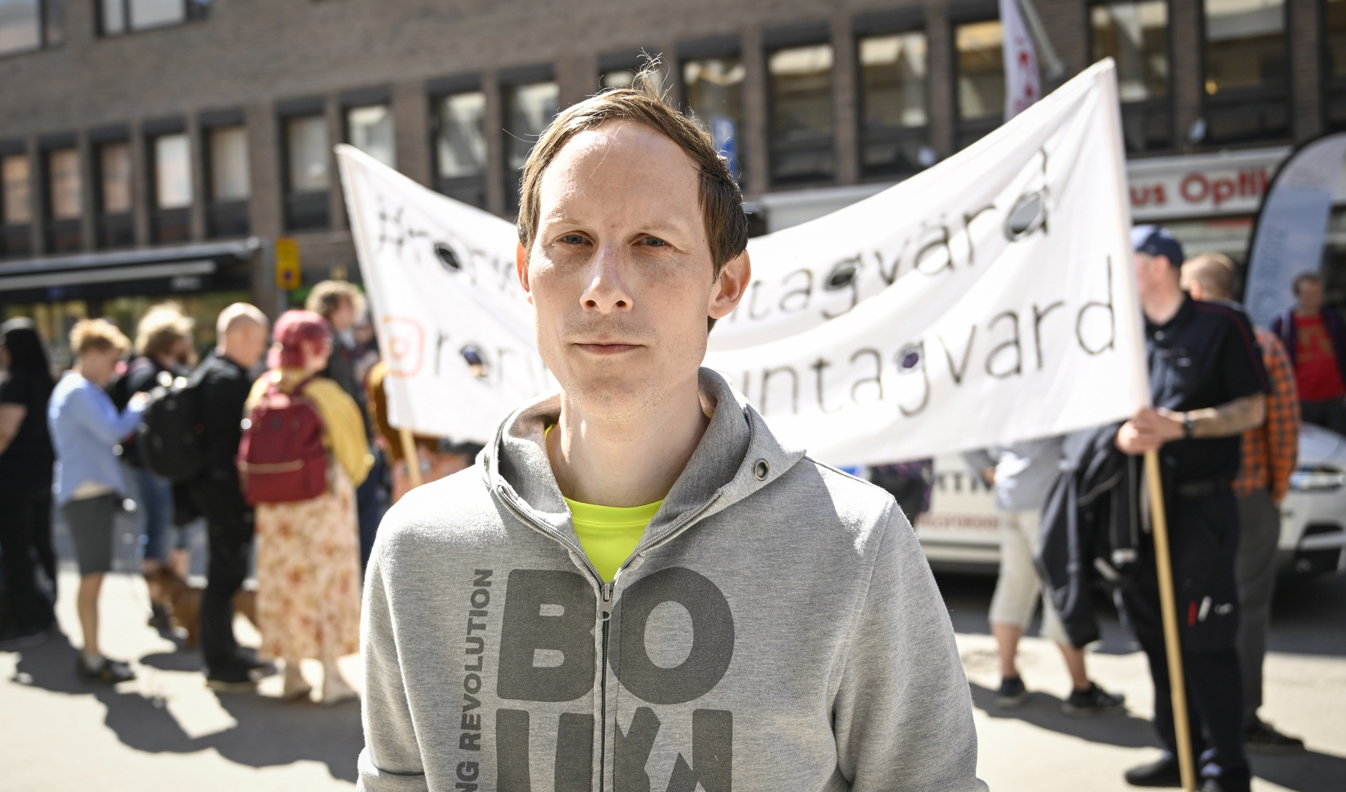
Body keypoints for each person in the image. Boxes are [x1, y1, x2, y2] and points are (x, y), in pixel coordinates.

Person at [357, 69, 985, 790]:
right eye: (572, 239)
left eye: (652, 242)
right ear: (527, 272)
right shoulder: (418, 548)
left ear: (725, 283)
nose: (604, 285)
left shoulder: (854, 546)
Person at [1116, 227, 1267, 792]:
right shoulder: (1125, 336)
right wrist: (1122, 437)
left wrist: (1181, 426)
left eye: (1127, 257)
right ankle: (1179, 749)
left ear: (1157, 265)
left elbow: (1253, 408)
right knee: (1156, 642)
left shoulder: (1220, 324)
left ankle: (1225, 768)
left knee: (1205, 643)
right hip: (1140, 516)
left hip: (1201, 516)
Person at [1181, 253, 1306, 754]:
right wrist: (1274, 489)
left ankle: (1202, 721)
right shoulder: (1264, 341)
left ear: (1199, 291)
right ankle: (1239, 716)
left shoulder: (1189, 340)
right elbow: (1285, 430)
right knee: (1245, 610)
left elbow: (1279, 424)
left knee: (1205, 609)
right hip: (1248, 495)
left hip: (1211, 498)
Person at [247, 310, 372, 705]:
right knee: (327, 582)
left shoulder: (261, 390)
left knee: (282, 584)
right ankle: (331, 676)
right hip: (322, 500)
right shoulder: (326, 394)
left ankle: (291, 672)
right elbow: (357, 456)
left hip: (273, 507)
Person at [965, 438, 1126, 714]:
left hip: (1010, 495)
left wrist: (989, 470)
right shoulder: (1044, 394)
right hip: (1046, 498)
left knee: (1014, 586)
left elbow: (965, 437)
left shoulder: (997, 395)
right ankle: (1082, 688)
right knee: (1060, 587)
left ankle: (1009, 679)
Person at [49, 318, 148, 684]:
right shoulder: (78, 391)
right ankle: (91, 657)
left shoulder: (78, 388)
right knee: (92, 578)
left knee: (94, 577)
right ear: (92, 354)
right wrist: (138, 407)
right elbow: (113, 430)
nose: (115, 370)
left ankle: (93, 653)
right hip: (85, 494)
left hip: (88, 493)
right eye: (111, 360)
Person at [190, 303, 270, 690]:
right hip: (225, 494)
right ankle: (220, 663)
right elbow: (235, 450)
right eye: (259, 339)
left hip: (213, 491)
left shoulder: (210, 372)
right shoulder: (228, 381)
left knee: (225, 575)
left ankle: (226, 652)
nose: (263, 348)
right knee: (224, 577)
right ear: (241, 335)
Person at [110, 303, 196, 626]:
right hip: (151, 467)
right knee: (159, 530)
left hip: (172, 468)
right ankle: (158, 604)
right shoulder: (145, 375)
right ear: (170, 340)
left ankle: (178, 599)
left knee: (180, 529)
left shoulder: (173, 372)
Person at [306, 280, 387, 572]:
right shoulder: (329, 340)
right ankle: (365, 576)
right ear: (336, 307)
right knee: (362, 512)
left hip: (343, 440)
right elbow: (344, 397)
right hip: (344, 441)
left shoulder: (336, 339)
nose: (355, 310)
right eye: (350, 304)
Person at [0, 319, 57, 646]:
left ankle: (27, 618)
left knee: (17, 549)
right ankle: (46, 609)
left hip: (15, 477)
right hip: (43, 473)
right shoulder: (47, 381)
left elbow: (4, 432)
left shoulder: (17, 383)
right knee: (41, 541)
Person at [1269, 272, 1346, 435]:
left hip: (1335, 397)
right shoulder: (1283, 324)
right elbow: (1274, 363)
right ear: (1297, 295)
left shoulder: (1333, 320)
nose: (1313, 299)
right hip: (1301, 399)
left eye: (1317, 294)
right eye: (1308, 294)